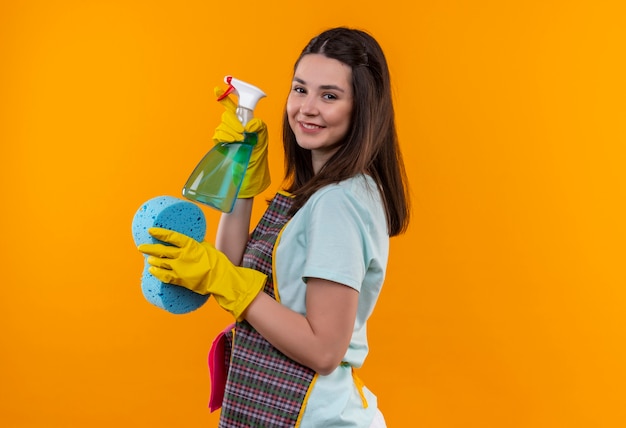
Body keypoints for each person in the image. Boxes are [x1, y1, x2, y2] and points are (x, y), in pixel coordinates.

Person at [138, 26, 410, 427]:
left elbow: (323, 350)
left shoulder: (338, 202)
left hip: (313, 416)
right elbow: (235, 266)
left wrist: (221, 279)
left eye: (329, 96)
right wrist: (242, 176)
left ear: (362, 109)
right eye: (300, 89)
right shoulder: (317, 193)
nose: (307, 108)